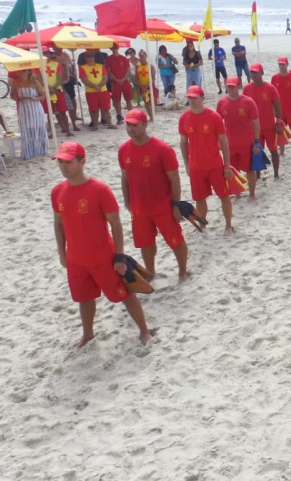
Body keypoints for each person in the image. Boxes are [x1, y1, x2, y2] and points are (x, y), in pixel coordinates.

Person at [51, 141, 152, 348]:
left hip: (103, 257)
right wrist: (62, 253)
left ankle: (144, 330)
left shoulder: (100, 190)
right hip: (76, 259)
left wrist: (120, 256)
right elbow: (58, 223)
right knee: (84, 298)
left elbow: (116, 224)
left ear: (83, 162)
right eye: (60, 162)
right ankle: (88, 334)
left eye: (68, 162)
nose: (64, 166)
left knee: (125, 294)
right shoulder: (57, 191)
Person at [119, 109, 189, 282]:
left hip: (162, 206)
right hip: (139, 208)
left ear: (145, 125)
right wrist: (128, 202)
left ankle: (182, 271)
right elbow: (125, 177)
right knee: (145, 243)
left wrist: (175, 205)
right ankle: (150, 272)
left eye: (135, 125)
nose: (131, 128)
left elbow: (174, 178)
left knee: (175, 241)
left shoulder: (162, 149)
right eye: (128, 124)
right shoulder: (123, 150)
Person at [178, 85, 235, 235]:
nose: (191, 100)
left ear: (202, 99)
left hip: (215, 165)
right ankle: (202, 226)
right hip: (196, 167)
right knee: (200, 199)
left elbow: (224, 141)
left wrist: (227, 164)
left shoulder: (214, 117)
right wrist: (186, 163)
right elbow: (183, 142)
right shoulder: (184, 118)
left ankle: (229, 225)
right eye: (189, 97)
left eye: (195, 98)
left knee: (223, 196)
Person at [217, 77, 260, 200]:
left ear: (239, 86)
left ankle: (252, 194)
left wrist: (256, 141)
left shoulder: (248, 102)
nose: (231, 89)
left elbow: (256, 122)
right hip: (229, 143)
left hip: (247, 142)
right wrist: (218, 142)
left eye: (233, 86)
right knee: (233, 170)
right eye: (229, 86)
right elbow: (218, 124)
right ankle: (237, 193)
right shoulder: (221, 103)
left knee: (250, 169)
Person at [242, 63, 283, 178]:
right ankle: (258, 175)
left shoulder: (270, 88)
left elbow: (278, 107)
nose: (254, 75)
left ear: (262, 73)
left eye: (256, 72)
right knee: (256, 153)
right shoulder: (247, 89)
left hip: (269, 126)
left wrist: (279, 122)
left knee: (274, 150)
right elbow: (244, 108)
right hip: (254, 129)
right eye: (252, 72)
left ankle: (276, 174)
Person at [10, 69, 50, 159]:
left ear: (28, 72)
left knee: (37, 127)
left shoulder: (35, 82)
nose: (20, 72)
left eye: (23, 71)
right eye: (19, 71)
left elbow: (43, 95)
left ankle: (40, 150)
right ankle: (28, 151)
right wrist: (18, 99)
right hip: (23, 107)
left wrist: (34, 99)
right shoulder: (15, 82)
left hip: (35, 107)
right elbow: (12, 95)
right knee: (26, 128)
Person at [271, 56, 291, 155]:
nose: (281, 66)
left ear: (287, 64)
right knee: (280, 131)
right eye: (280, 64)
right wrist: (273, 110)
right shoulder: (274, 78)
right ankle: (281, 152)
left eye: (283, 64)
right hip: (280, 111)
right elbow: (272, 96)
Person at [79, 51, 113, 131]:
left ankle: (110, 124)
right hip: (91, 91)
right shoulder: (83, 68)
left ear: (94, 57)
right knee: (93, 109)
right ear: (85, 58)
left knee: (106, 108)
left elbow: (105, 77)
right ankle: (95, 125)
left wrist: (99, 86)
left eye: (92, 56)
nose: (90, 58)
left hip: (103, 90)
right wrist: (95, 86)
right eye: (88, 57)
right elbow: (84, 80)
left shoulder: (100, 66)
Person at [43, 49, 73, 137]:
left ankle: (67, 130)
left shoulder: (56, 64)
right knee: (50, 112)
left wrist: (54, 87)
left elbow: (60, 78)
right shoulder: (39, 65)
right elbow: (39, 78)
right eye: (45, 53)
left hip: (57, 90)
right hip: (47, 90)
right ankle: (53, 132)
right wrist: (49, 88)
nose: (47, 55)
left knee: (62, 111)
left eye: (48, 53)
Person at [106, 43, 133, 125]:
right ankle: (119, 116)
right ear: (111, 49)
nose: (114, 49)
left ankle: (131, 116)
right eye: (113, 48)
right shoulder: (109, 59)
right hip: (115, 82)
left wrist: (123, 79)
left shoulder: (124, 59)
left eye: (115, 47)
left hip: (125, 81)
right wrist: (116, 79)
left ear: (118, 48)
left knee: (128, 99)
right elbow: (109, 71)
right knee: (116, 100)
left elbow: (128, 70)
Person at [56, 47, 81, 128]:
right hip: (57, 82)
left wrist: (74, 74)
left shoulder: (65, 55)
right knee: (59, 103)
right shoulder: (53, 56)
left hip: (68, 80)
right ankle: (63, 125)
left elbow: (71, 66)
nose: (58, 49)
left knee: (72, 100)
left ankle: (73, 121)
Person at [135, 50, 158, 121]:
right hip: (142, 86)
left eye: (143, 56)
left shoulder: (150, 66)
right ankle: (151, 117)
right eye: (140, 56)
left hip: (149, 86)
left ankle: (153, 115)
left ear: (146, 56)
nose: (142, 57)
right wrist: (142, 86)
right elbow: (136, 78)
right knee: (146, 102)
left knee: (151, 101)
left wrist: (147, 86)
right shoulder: (137, 67)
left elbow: (153, 77)